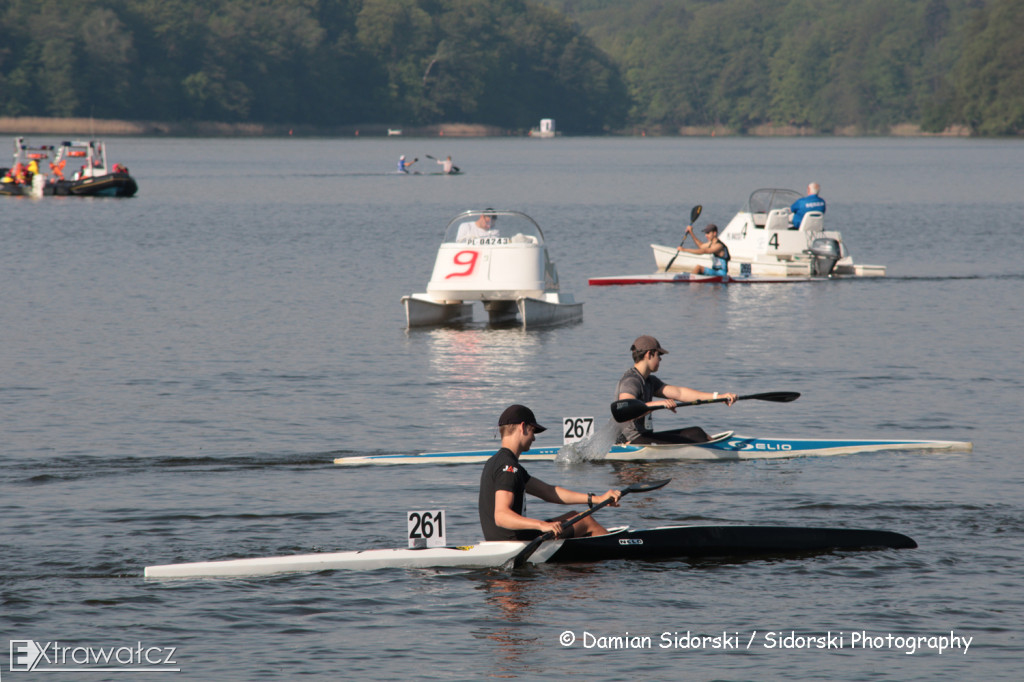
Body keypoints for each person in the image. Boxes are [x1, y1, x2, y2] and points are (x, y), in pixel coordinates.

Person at [479, 405, 622, 541]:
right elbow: (501, 516)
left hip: (503, 539)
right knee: (585, 520)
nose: (534, 438)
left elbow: (548, 492)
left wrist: (597, 499)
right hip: (515, 542)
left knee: (575, 517)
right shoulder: (509, 467)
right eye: (533, 431)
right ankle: (620, 554)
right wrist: (541, 525)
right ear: (522, 427)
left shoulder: (496, 463)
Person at [616, 335, 737, 444]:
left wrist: (718, 397)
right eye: (659, 355)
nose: (660, 360)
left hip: (645, 437)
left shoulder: (650, 381)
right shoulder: (631, 381)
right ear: (649, 354)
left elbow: (680, 393)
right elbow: (625, 409)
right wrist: (657, 404)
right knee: (697, 436)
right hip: (631, 441)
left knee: (696, 432)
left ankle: (715, 446)